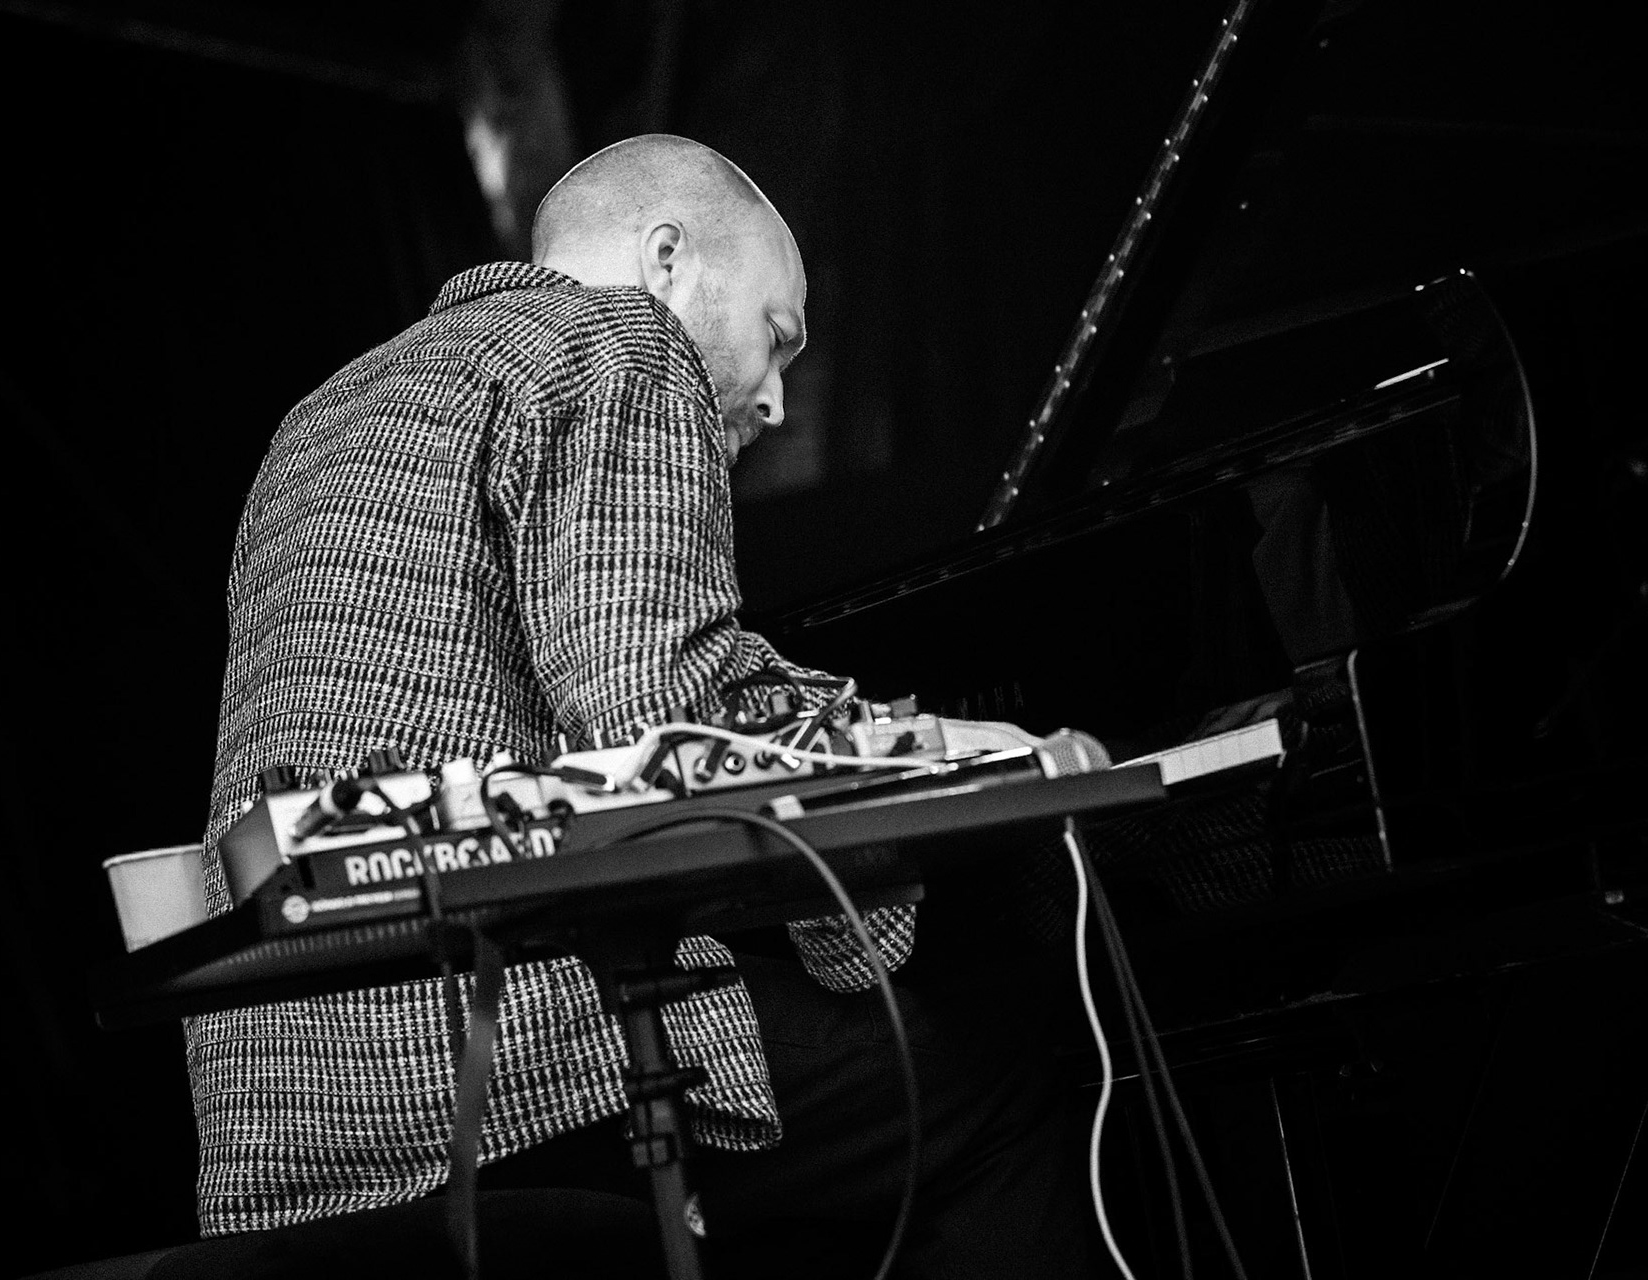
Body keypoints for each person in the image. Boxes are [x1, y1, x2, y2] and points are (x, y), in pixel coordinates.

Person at [187, 134, 1093, 1277]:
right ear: (667, 258)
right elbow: (657, 726)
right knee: (995, 1066)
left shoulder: (315, 419)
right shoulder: (620, 342)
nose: (772, 398)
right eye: (777, 337)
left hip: (271, 1107)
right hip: (500, 1056)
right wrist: (912, 761)